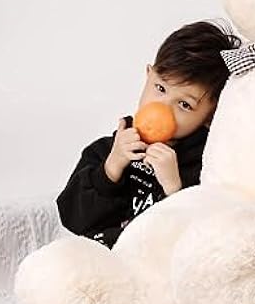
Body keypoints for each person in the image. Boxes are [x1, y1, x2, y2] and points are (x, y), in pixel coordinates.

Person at [56, 19, 241, 249]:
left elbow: (200, 242)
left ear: (210, 117)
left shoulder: (206, 167)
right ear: (148, 75)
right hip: (101, 258)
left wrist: (174, 189)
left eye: (184, 105)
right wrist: (111, 168)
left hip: (153, 265)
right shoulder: (108, 150)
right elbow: (71, 218)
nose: (163, 107)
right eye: (160, 88)